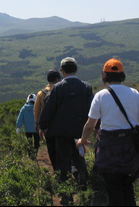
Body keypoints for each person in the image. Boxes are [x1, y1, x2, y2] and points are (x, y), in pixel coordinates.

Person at [76, 58, 139, 206]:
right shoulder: (134, 93)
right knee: (128, 187)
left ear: (104, 75)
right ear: (122, 75)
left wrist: (82, 140)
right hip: (130, 149)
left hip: (108, 150)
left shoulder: (100, 95)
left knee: (114, 190)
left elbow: (90, 126)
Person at [39, 57, 93, 189]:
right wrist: (96, 127)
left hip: (61, 132)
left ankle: (65, 189)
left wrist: (43, 126)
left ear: (62, 71)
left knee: (63, 161)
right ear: (76, 69)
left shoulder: (58, 88)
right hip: (80, 131)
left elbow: (49, 109)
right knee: (79, 157)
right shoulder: (86, 87)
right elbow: (93, 110)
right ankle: (83, 183)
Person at [34, 68, 62, 171]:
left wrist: (38, 125)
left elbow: (37, 111)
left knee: (52, 149)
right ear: (57, 79)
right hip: (62, 125)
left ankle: (56, 171)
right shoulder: (62, 90)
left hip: (48, 127)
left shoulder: (41, 94)